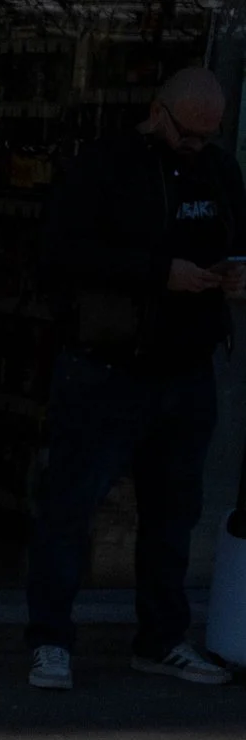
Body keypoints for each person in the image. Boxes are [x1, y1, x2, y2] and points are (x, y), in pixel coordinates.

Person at [28, 66, 244, 691]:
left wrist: (234, 273)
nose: (197, 145)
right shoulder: (106, 166)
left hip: (185, 366)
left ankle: (162, 638)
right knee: (71, 507)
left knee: (173, 515)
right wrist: (158, 272)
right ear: (158, 111)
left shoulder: (220, 171)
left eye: (210, 135)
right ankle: (49, 639)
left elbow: (240, 239)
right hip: (107, 364)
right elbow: (61, 255)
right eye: (188, 133)